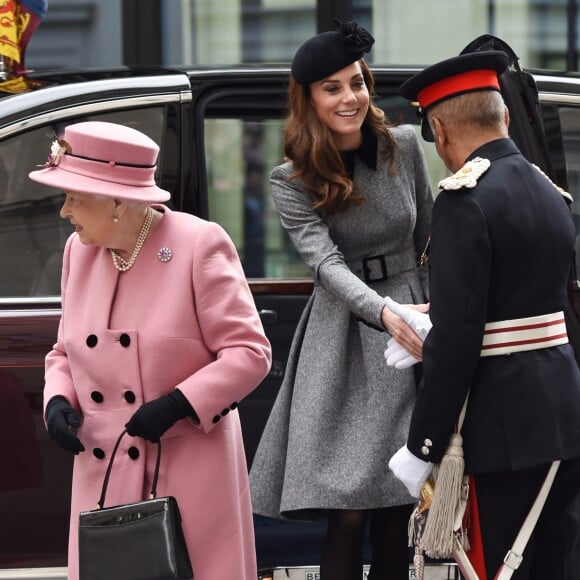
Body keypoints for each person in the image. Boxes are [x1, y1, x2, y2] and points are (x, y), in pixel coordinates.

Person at [28, 121, 272, 580]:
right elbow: (64, 350)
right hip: (102, 471)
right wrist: (58, 400)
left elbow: (249, 352)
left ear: (119, 202)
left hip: (184, 472)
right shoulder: (77, 252)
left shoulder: (198, 244)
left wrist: (179, 403)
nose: (64, 212)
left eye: (75, 198)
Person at [249, 19, 433, 580]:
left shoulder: (402, 145)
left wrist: (436, 310)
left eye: (357, 83)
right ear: (307, 99)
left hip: (415, 321)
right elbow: (325, 264)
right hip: (345, 334)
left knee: (401, 504)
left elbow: (430, 236)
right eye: (333, 88)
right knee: (349, 508)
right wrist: (383, 311)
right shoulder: (293, 177)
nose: (350, 97)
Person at [387, 51, 580, 579]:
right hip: (563, 421)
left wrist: (421, 447)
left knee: (500, 567)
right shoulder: (551, 193)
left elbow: (457, 340)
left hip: (501, 431)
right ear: (506, 118)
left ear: (440, 129)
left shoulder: (463, 201)